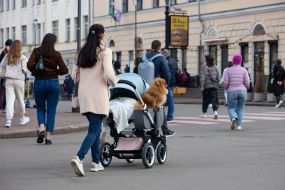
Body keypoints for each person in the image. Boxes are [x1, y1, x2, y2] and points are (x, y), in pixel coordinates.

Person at [70, 24, 117, 177]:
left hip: (84, 94)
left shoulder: (82, 52)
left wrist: (85, 79)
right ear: (102, 35)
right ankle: (79, 157)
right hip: (97, 94)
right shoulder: (105, 52)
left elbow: (74, 75)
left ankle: (96, 163)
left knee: (95, 128)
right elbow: (109, 73)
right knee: (94, 130)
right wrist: (115, 82)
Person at [27, 33, 68, 145]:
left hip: (39, 83)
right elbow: (65, 70)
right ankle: (48, 138)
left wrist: (37, 69)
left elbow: (29, 65)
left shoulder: (36, 51)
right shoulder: (56, 54)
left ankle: (41, 127)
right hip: (53, 83)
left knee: (40, 108)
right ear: (53, 43)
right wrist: (54, 71)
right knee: (51, 111)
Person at [144, 40, 174, 136]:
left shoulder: (144, 57)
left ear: (152, 46)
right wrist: (166, 85)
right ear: (160, 48)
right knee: (159, 108)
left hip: (144, 86)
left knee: (144, 108)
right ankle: (164, 130)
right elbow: (166, 74)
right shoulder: (161, 58)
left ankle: (153, 129)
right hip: (155, 87)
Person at [0, 40, 30, 128]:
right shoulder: (23, 57)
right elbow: (25, 69)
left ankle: (8, 121)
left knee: (9, 101)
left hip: (9, 80)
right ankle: (23, 117)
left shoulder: (7, 56)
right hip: (19, 80)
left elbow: (1, 65)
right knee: (20, 99)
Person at [223, 54, 250, 130]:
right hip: (242, 91)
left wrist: (227, 88)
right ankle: (239, 126)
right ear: (240, 61)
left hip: (232, 91)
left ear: (233, 61)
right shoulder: (244, 70)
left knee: (231, 108)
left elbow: (225, 82)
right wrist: (246, 88)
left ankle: (233, 118)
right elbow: (247, 81)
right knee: (240, 108)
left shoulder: (228, 70)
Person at [200, 54, 220, 119]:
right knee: (214, 99)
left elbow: (202, 77)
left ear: (207, 60)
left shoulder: (204, 67)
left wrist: (202, 85)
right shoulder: (215, 67)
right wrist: (217, 82)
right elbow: (218, 76)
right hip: (214, 86)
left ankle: (204, 113)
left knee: (205, 100)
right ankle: (215, 112)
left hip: (206, 86)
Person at [161, 49, 178, 121]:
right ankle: (170, 115)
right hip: (171, 82)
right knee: (170, 99)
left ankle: (161, 115)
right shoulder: (173, 61)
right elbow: (175, 71)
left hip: (163, 82)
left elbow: (164, 72)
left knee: (161, 99)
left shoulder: (163, 60)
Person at [0, 39, 13, 112]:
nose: (10, 47)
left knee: (10, 92)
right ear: (6, 46)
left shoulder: (13, 53)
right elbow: (1, 64)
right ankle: (3, 106)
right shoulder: (3, 53)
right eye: (9, 46)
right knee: (3, 91)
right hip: (4, 76)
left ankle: (9, 107)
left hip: (11, 75)